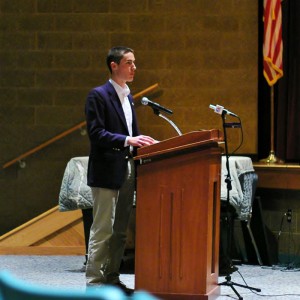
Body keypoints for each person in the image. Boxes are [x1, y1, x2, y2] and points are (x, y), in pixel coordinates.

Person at [85, 46, 156, 295]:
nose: (134, 67)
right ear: (114, 66)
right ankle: (93, 285)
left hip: (127, 168)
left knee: (120, 231)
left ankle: (112, 279)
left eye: (134, 63)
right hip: (106, 170)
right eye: (129, 63)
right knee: (103, 229)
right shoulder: (98, 95)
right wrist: (128, 140)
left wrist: (145, 142)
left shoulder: (129, 96)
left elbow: (131, 134)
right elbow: (96, 133)